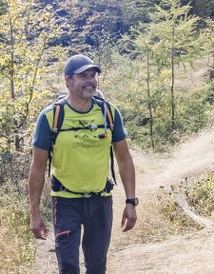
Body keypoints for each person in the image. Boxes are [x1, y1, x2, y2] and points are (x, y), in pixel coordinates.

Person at [28, 54, 137, 274]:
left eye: (93, 75)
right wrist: (34, 212)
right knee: (68, 267)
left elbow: (124, 159)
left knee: (97, 267)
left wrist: (130, 201)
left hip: (100, 201)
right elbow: (37, 167)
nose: (90, 81)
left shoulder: (109, 113)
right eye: (83, 76)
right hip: (65, 202)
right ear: (67, 80)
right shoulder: (51, 117)